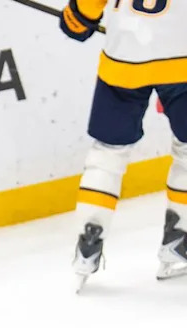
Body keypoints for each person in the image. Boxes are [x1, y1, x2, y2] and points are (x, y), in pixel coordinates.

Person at [60, 0, 187, 288]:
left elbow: (78, 22)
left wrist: (75, 20)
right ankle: (178, 238)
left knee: (108, 151)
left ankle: (88, 241)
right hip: (182, 63)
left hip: (123, 64)